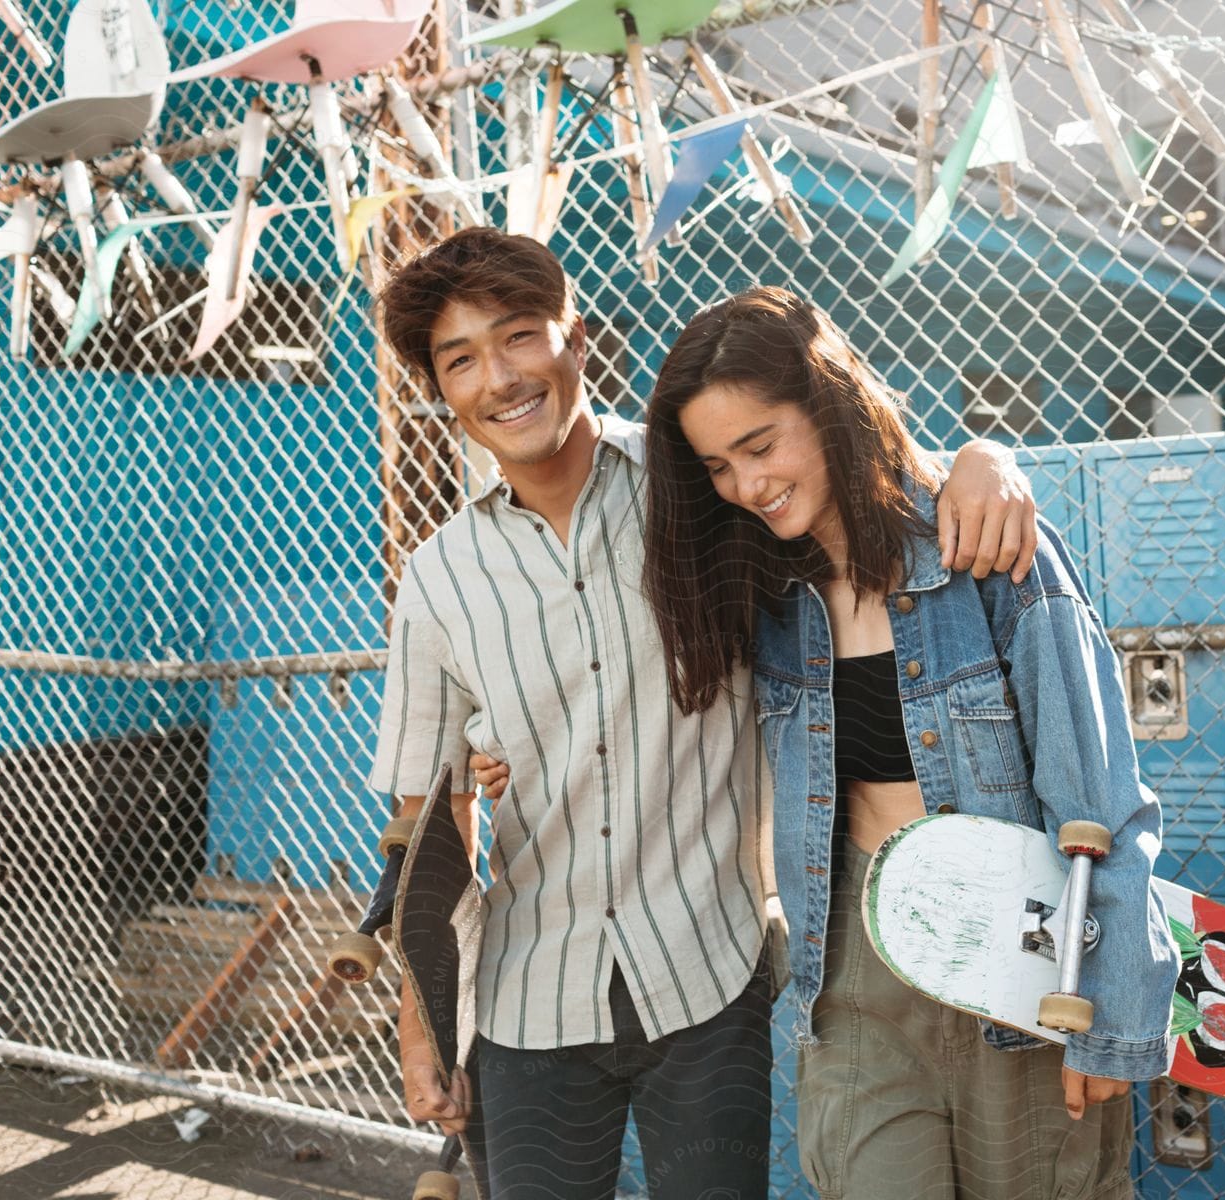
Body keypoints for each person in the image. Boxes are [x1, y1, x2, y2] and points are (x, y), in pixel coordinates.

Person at [367, 227, 1041, 1200]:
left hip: (706, 975)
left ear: (576, 341)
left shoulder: (699, 490)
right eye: (460, 359)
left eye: (518, 337)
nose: (498, 379)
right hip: (525, 1000)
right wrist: (422, 1022)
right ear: (440, 390)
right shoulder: (437, 583)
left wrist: (979, 460)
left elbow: (839, 480)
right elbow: (424, 825)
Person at [638, 286, 1178, 1200]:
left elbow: (1101, 796)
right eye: (718, 466)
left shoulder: (988, 552)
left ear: (830, 404)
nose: (746, 485)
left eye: (760, 446)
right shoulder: (761, 594)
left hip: (1027, 963)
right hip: (857, 968)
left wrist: (1114, 1017)